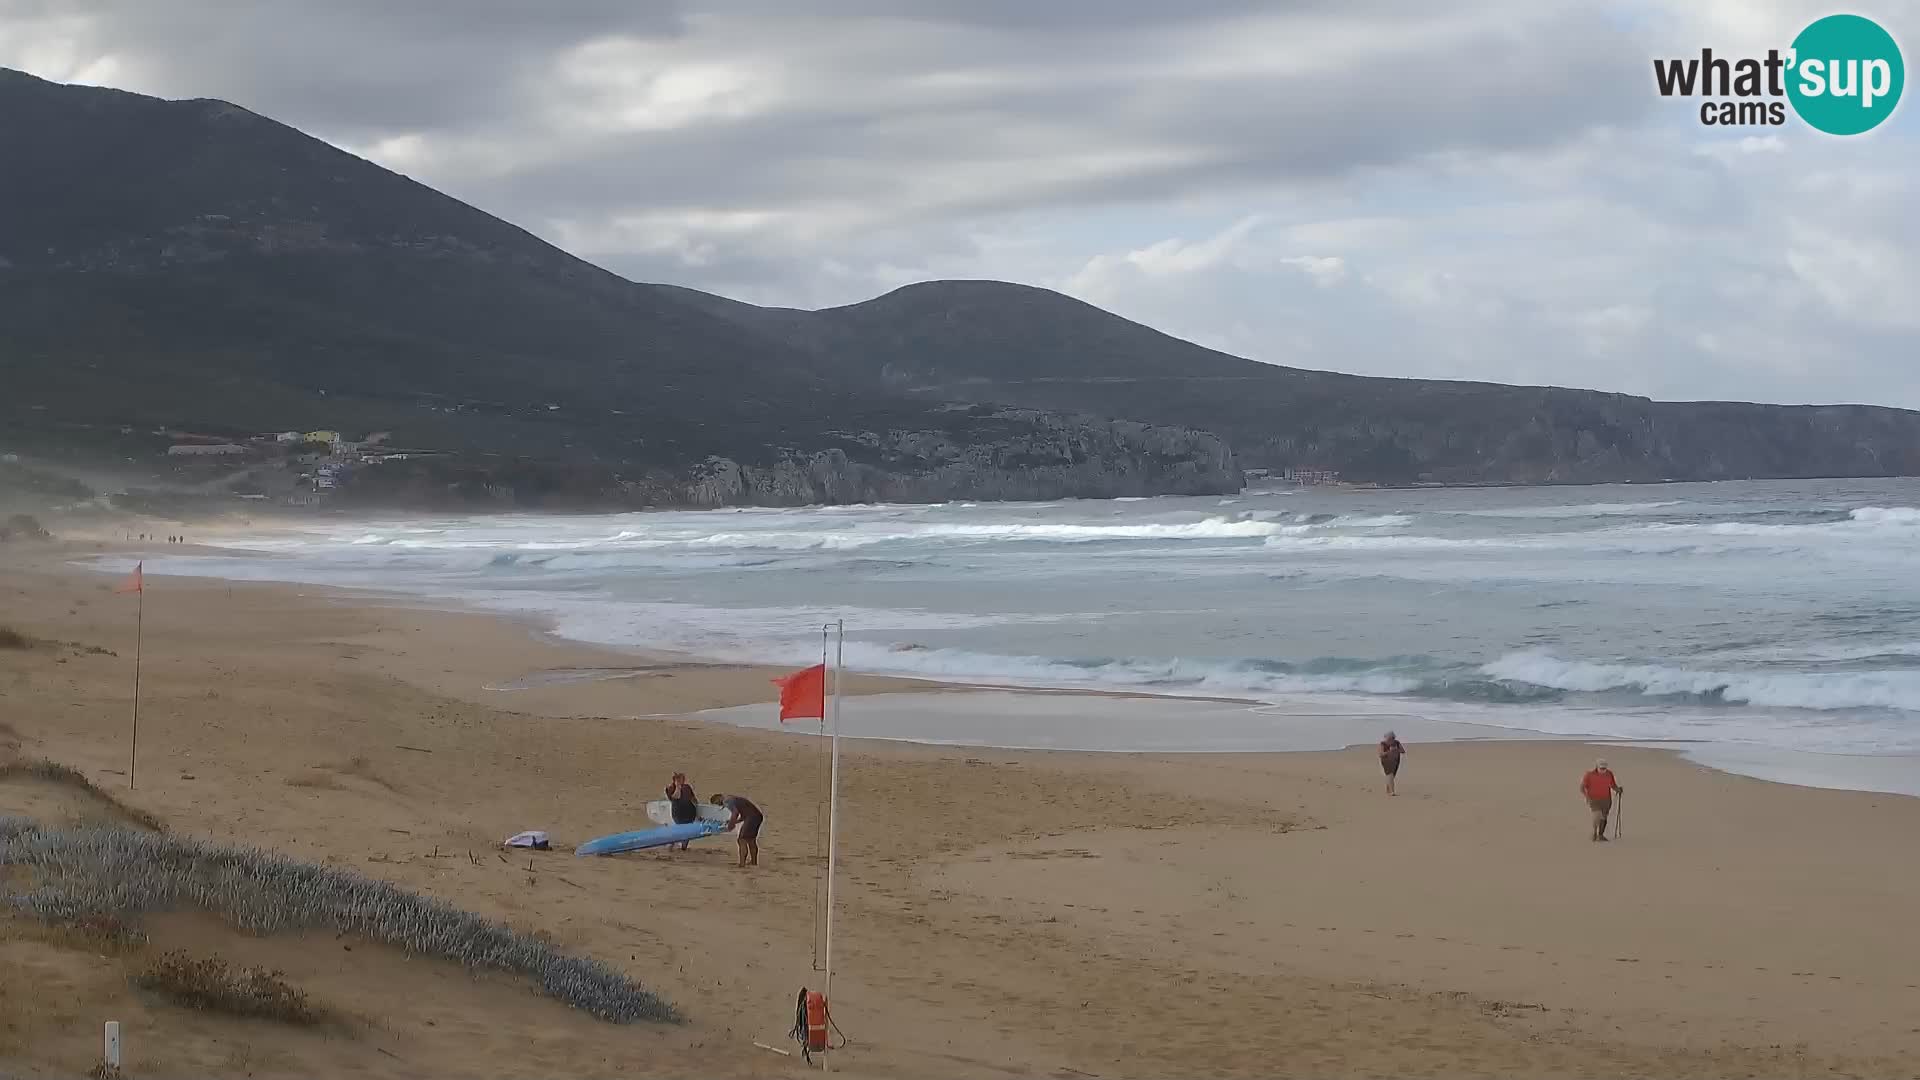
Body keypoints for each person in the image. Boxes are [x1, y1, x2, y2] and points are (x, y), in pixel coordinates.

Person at [711, 792, 764, 868]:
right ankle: (753, 862)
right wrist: (734, 822)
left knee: (741, 840)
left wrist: (731, 825)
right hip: (757, 816)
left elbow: (735, 813)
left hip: (751, 818)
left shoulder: (727, 801)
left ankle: (742, 864)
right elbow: (743, 813)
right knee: (751, 840)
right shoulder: (734, 798)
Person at [1581, 759, 1623, 842]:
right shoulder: (1589, 775)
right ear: (1596, 767)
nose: (1603, 770)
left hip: (1606, 800)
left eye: (1604, 768)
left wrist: (1618, 789)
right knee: (1596, 816)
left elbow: (1612, 785)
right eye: (1601, 768)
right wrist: (1586, 797)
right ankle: (1594, 833)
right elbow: (1582, 787)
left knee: (1604, 817)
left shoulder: (1609, 774)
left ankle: (1600, 835)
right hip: (1593, 799)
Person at [664, 772, 699, 851]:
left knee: (687, 832)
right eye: (680, 779)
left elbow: (694, 799)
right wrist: (678, 787)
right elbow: (675, 797)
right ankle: (671, 846)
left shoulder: (687, 787)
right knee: (679, 830)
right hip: (678, 814)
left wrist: (698, 810)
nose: (683, 780)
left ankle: (683, 848)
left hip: (690, 813)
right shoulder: (670, 788)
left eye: (683, 778)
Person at [1378, 731, 1406, 796]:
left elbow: (1403, 751)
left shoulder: (1397, 743)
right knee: (1390, 775)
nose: (1391, 740)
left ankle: (1388, 790)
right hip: (1386, 761)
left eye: (1392, 738)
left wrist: (1396, 749)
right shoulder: (1382, 744)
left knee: (1392, 776)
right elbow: (1380, 754)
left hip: (1396, 761)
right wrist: (1389, 751)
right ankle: (1392, 792)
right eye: (1389, 738)